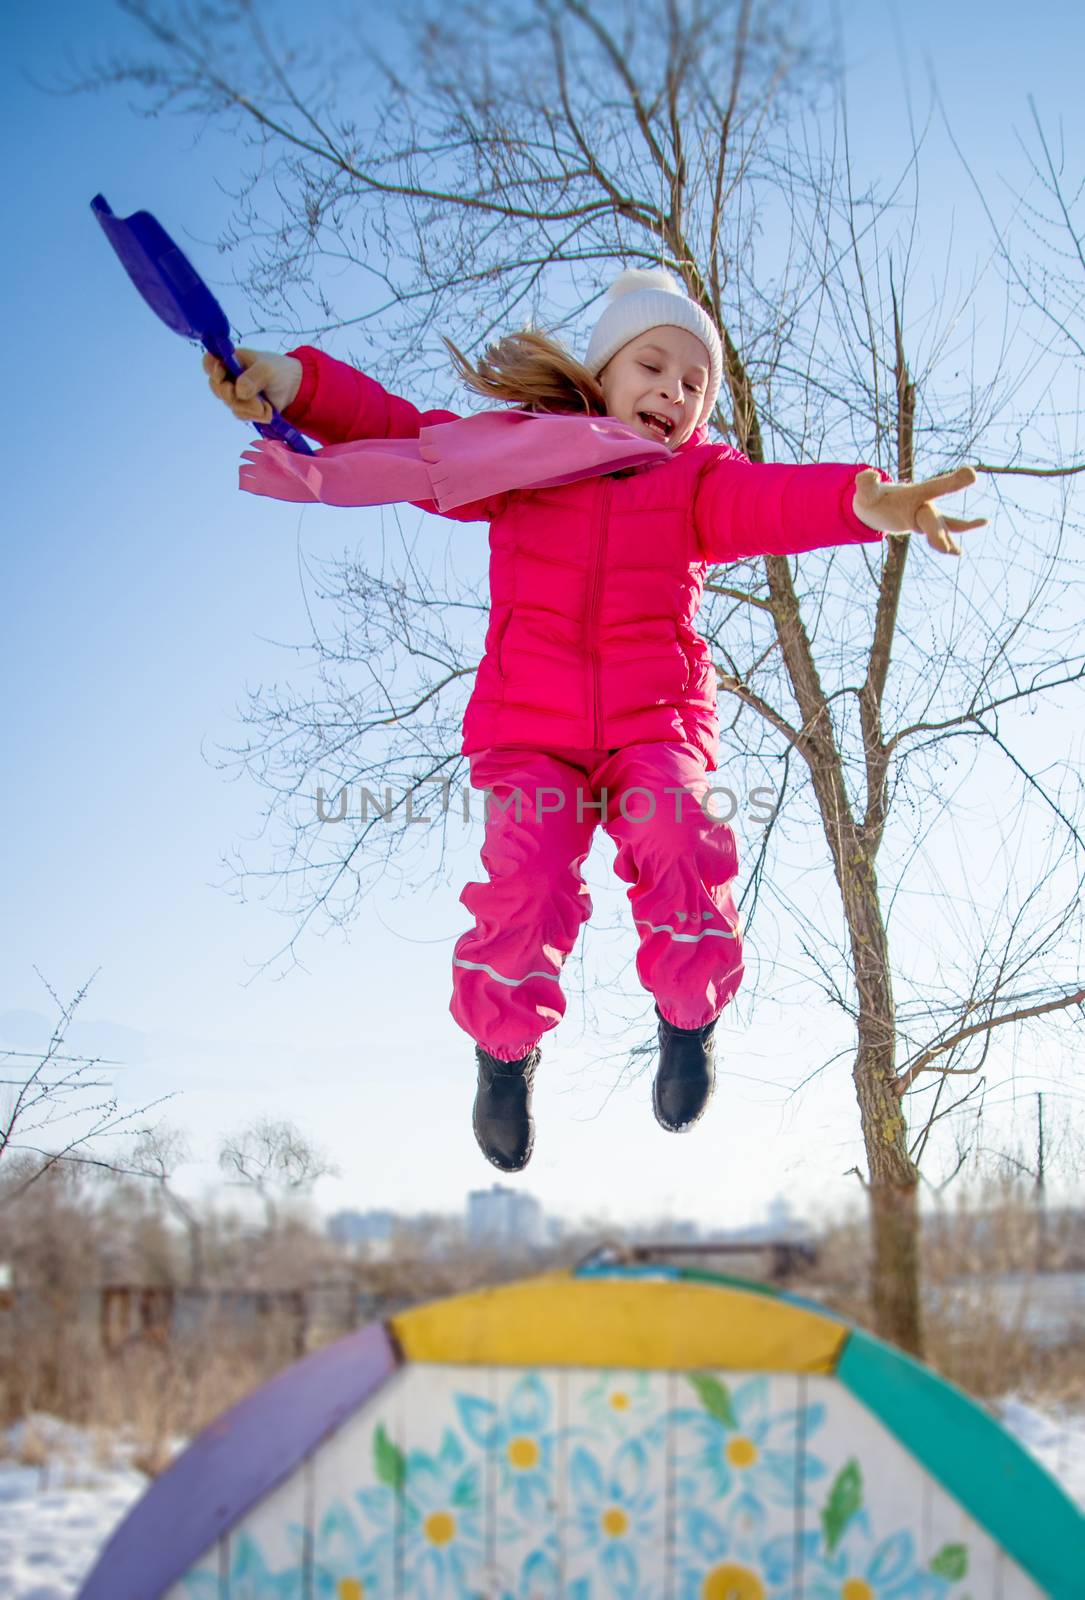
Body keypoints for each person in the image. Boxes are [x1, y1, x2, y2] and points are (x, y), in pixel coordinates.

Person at [204, 268, 985, 1174]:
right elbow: (401, 434)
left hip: (654, 726)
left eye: (694, 385)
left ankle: (687, 1021)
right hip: (529, 732)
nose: (673, 391)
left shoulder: (695, 480)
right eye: (652, 366)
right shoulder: (517, 460)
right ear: (604, 375)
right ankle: (503, 1053)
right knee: (527, 884)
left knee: (680, 834)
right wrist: (295, 384)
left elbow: (770, 502)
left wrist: (861, 499)